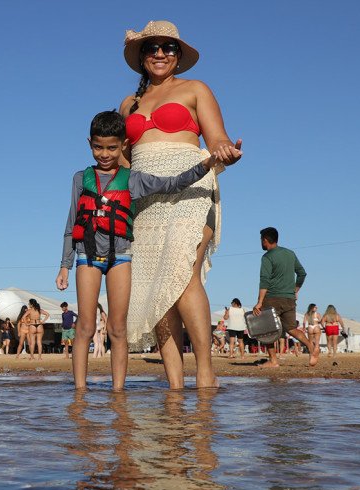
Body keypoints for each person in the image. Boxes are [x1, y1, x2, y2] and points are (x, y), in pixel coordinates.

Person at [56, 110, 237, 390]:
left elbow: (172, 183)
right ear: (89, 143)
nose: (104, 154)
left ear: (124, 146)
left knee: (118, 329)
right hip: (87, 257)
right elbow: (71, 223)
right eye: (98, 147)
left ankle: (118, 392)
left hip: (121, 258)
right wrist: (64, 265)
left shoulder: (132, 179)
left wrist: (206, 165)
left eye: (112, 147)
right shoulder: (80, 179)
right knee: (85, 327)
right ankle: (79, 393)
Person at [119, 21, 243, 390]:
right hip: (144, 201)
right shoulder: (130, 103)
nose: (160, 53)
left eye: (168, 48)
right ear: (142, 57)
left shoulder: (195, 89)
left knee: (184, 276)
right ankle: (175, 384)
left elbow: (217, 137)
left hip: (191, 188)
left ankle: (205, 371)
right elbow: (123, 161)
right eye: (152, 48)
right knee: (156, 287)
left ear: (178, 56)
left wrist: (226, 151)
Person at [253, 227, 319, 367]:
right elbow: (302, 273)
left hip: (272, 298)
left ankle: (273, 360)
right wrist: (295, 290)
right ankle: (312, 348)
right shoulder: (290, 253)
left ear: (265, 240)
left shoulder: (267, 257)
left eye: (261, 240)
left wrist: (259, 302)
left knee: (266, 330)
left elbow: (264, 280)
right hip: (289, 299)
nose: (260, 243)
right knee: (292, 329)